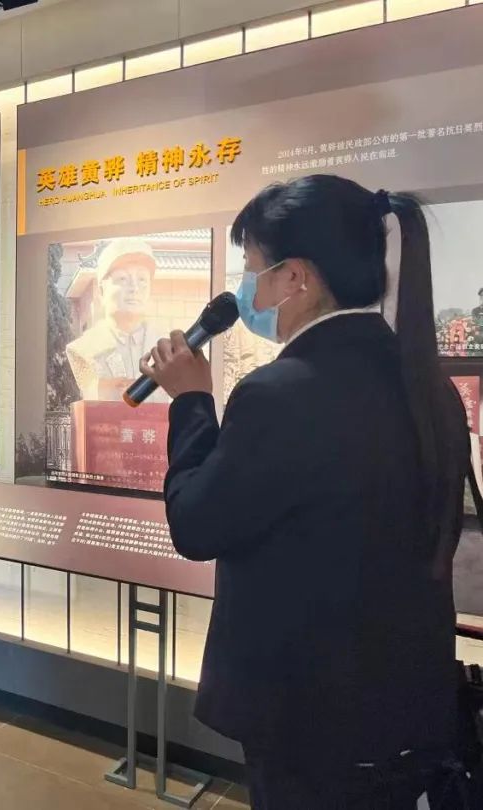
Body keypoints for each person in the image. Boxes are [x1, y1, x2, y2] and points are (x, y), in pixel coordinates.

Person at [140, 175, 468, 808]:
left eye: (252, 269)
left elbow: (196, 525)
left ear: (295, 278)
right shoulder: (429, 388)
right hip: (404, 706)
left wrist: (192, 403)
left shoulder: (280, 395)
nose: (246, 289)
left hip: (310, 715)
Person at [65, 238, 167, 402]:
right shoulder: (83, 349)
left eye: (142, 279)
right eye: (122, 279)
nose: (134, 288)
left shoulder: (166, 349)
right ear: (101, 291)